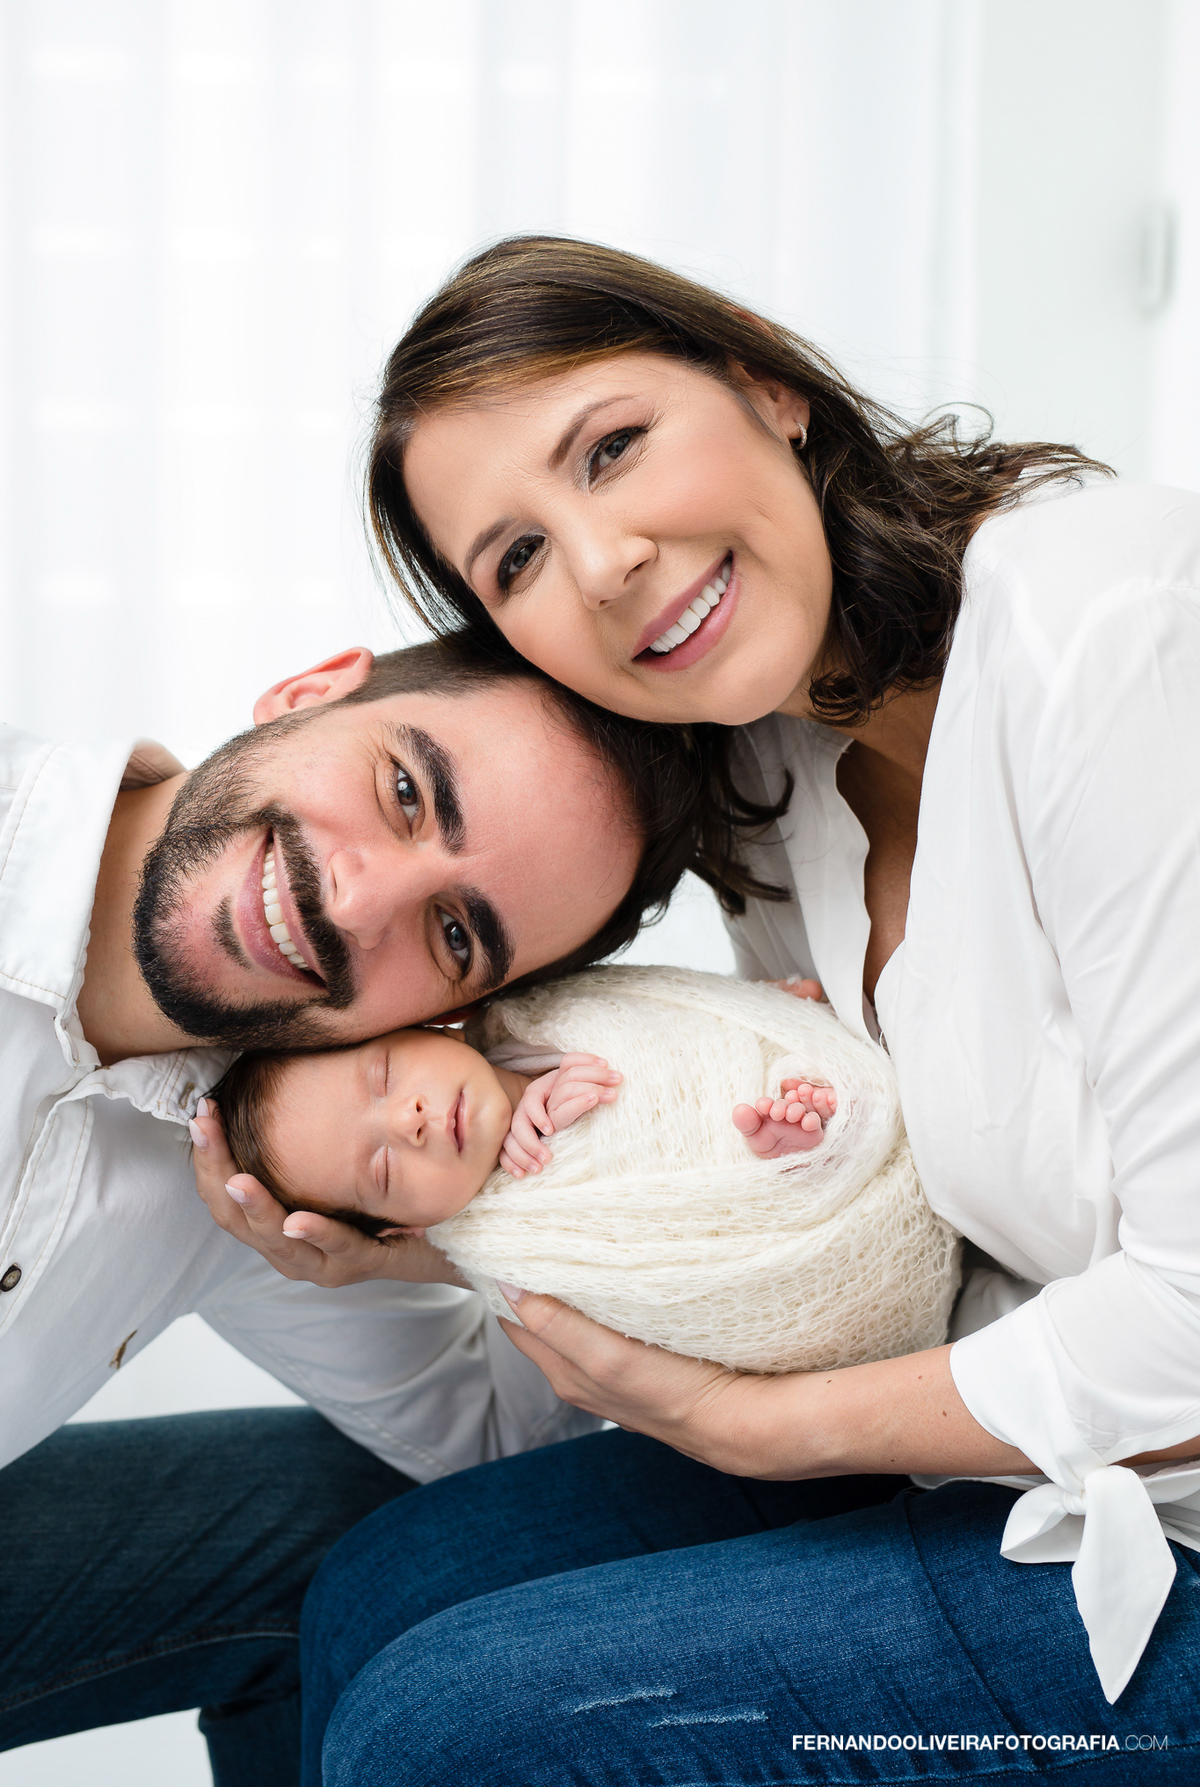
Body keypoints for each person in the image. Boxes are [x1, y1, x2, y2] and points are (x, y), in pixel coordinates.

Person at [239, 235, 1200, 1782]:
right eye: (519, 560)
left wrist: (757, 1428)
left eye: (613, 449)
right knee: (382, 1587)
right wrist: (482, 1201)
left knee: (460, 1729)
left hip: (1178, 1510)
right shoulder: (768, 770)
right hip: (1042, 1440)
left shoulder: (1106, 624)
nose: (607, 561)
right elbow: (882, 1210)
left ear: (765, 381)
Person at [0, 629, 720, 1785]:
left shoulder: (252, 1159)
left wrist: (446, 1244)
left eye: (451, 935)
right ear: (310, 690)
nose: (354, 897)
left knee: (384, 1541)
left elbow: (493, 1453)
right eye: (402, 789)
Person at [206, 963, 957, 1377]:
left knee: (750, 1065)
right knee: (738, 1153)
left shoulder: (535, 1018)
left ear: (421, 1025)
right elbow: (648, 1294)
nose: (410, 1119)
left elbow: (658, 1026)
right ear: (407, 1225)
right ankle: (784, 1153)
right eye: (381, 1167)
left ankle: (798, 1105)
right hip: (784, 1252)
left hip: (832, 1094)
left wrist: (750, 1005)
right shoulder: (511, 1247)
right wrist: (549, 1127)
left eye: (384, 1077)